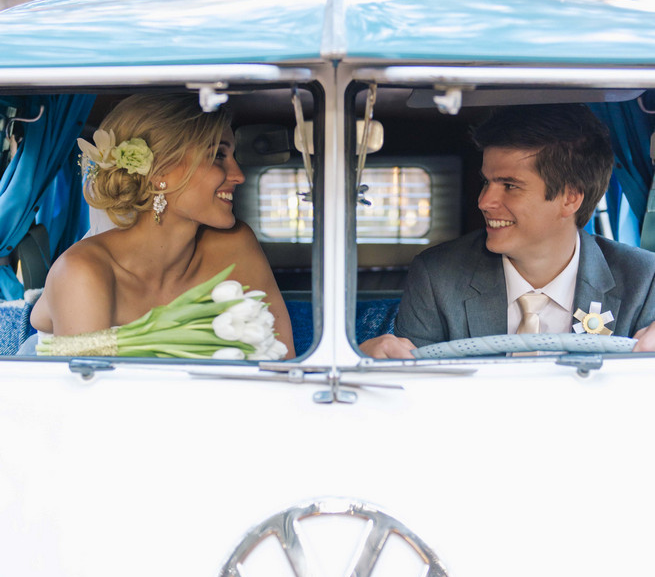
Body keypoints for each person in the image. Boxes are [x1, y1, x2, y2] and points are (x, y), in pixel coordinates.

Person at [360, 103, 655, 358]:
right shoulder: (438, 275)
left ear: (570, 198)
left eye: (510, 186)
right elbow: (416, 392)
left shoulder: (643, 280)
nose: (484, 201)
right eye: (486, 182)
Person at [31, 93, 295, 357]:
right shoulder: (82, 272)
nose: (239, 175)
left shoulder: (236, 243)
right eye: (217, 155)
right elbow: (88, 392)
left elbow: (281, 357)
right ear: (159, 172)